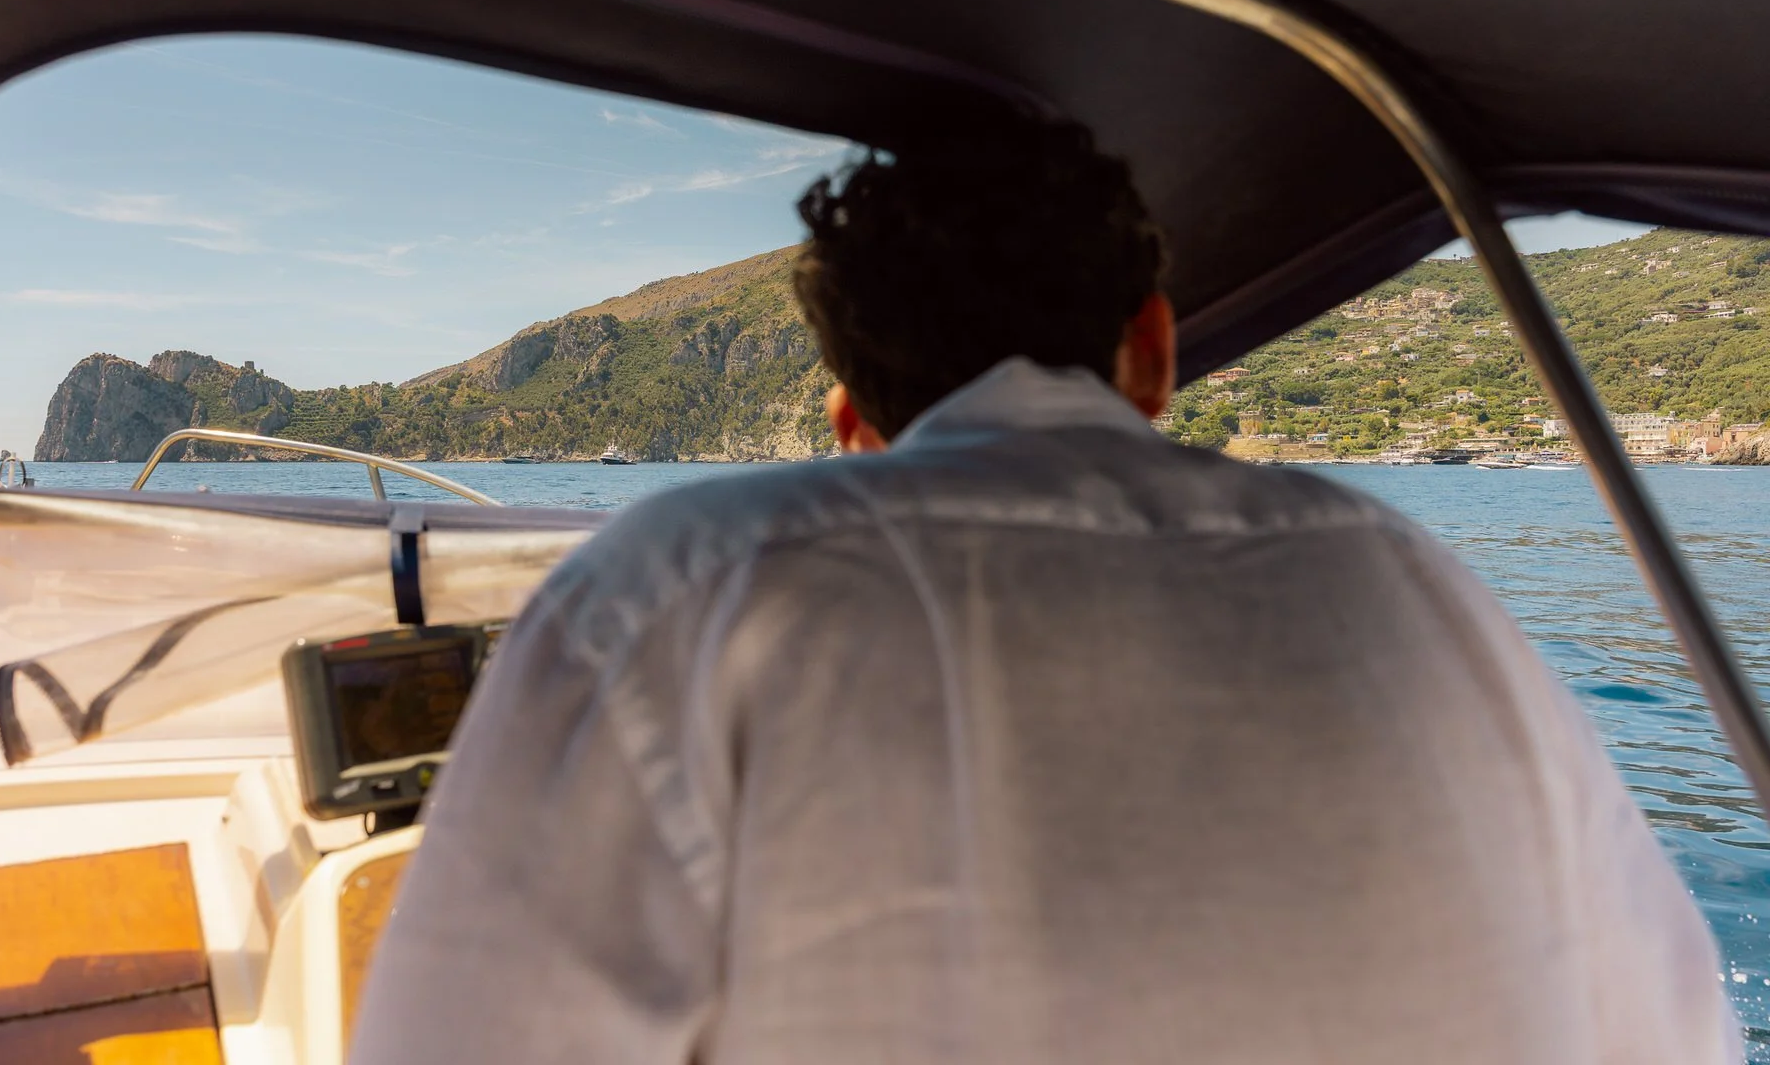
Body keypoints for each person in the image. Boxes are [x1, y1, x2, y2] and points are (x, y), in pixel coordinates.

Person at [352, 125, 1739, 1063]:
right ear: (1151, 349)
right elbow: (1676, 1031)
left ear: (851, 424)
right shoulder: (1406, 574)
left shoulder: (677, 589)